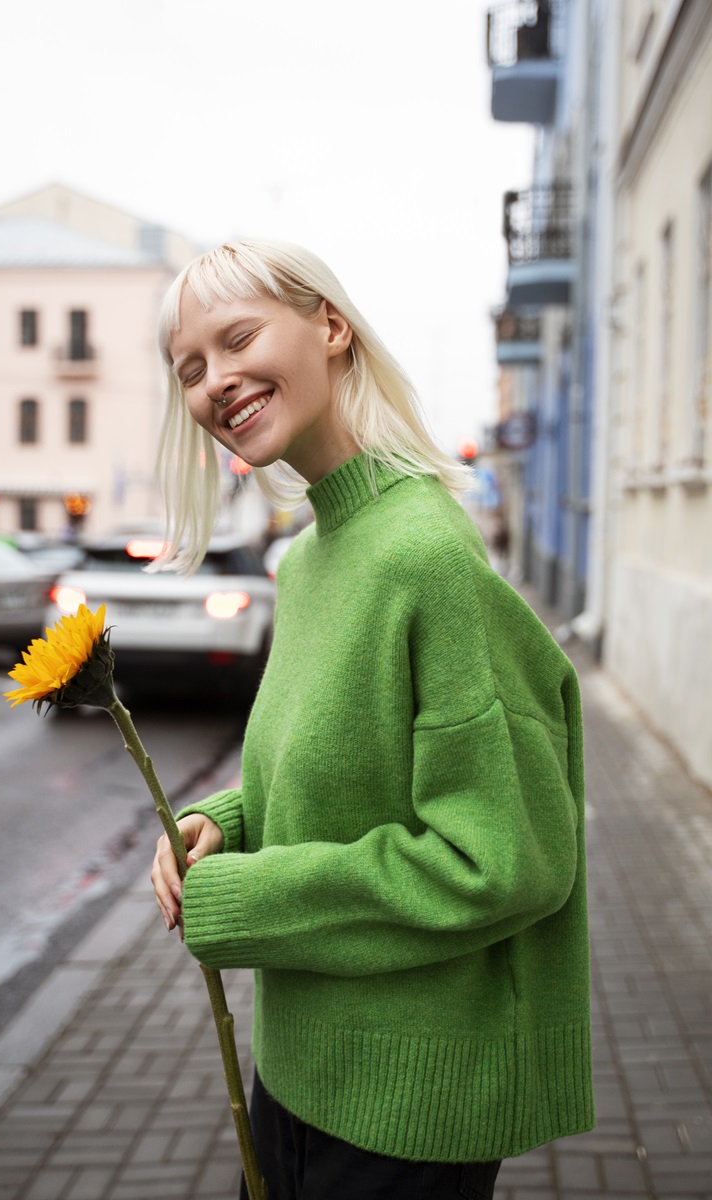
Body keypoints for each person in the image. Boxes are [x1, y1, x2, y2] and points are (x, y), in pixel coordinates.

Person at [150, 240, 594, 1200]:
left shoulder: (424, 555)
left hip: (404, 1111)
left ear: (332, 326)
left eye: (236, 340)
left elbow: (505, 859)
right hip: (294, 1079)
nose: (215, 382)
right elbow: (334, 764)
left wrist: (248, 900)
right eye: (190, 368)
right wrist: (222, 822)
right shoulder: (309, 560)